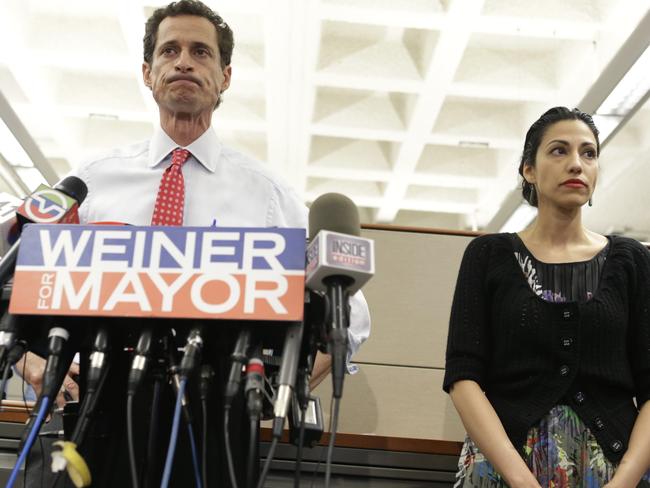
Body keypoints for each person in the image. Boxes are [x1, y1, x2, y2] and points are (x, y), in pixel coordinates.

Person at [13, 0, 370, 485]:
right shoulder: (92, 181)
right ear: (147, 71)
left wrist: (278, 388)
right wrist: (30, 353)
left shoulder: (267, 195)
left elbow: (350, 316)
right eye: (170, 50)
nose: (184, 61)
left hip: (216, 419)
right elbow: (27, 277)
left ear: (225, 76)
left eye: (200, 52)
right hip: (100, 410)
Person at [443, 106, 650, 487]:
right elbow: (463, 377)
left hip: (614, 468)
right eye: (559, 150)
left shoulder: (634, 262)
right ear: (529, 170)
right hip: (505, 467)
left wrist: (624, 482)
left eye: (589, 153)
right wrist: (521, 481)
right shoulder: (488, 256)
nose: (577, 164)